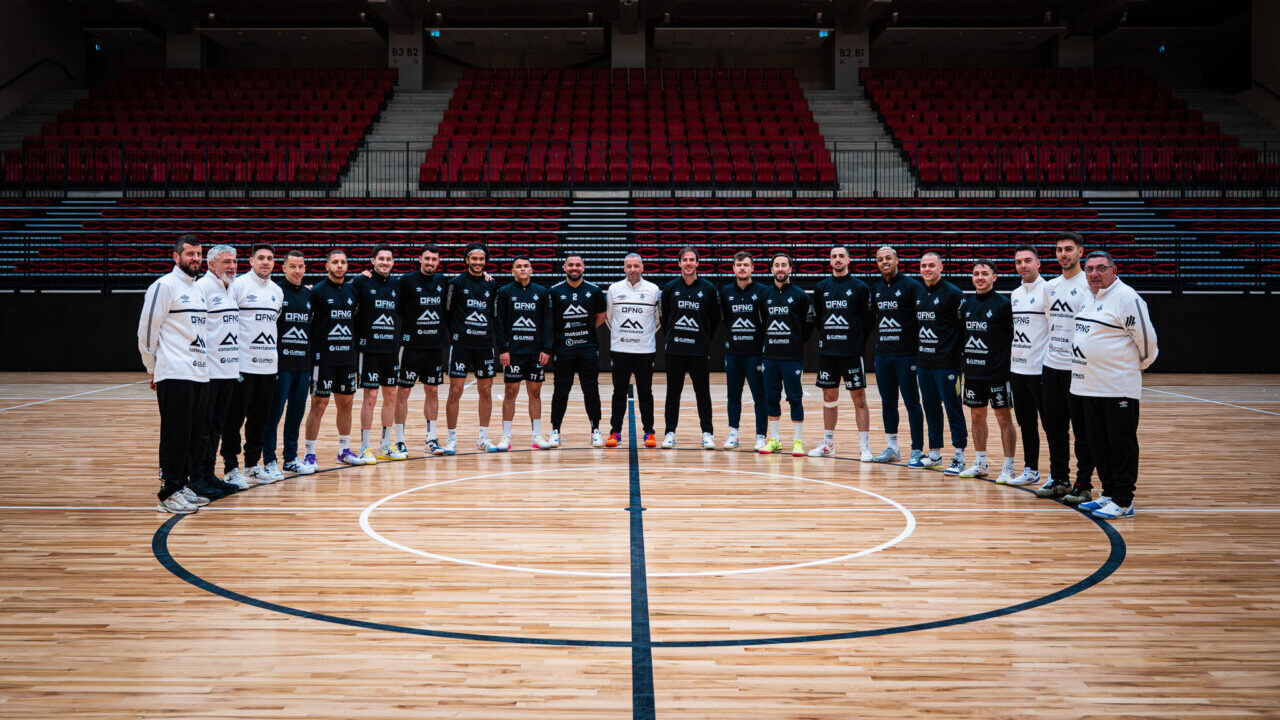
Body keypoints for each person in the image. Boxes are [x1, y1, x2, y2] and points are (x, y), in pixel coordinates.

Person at [1071, 251, 1158, 520]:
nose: (1094, 274)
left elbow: (1148, 341)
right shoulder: (1089, 296)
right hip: (1089, 387)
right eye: (1089, 269)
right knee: (1099, 445)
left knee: (1121, 445)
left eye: (1100, 269)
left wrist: (1135, 367)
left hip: (1117, 388)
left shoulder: (1127, 298)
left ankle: (1123, 500)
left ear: (1114, 270)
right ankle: (1108, 493)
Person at [138, 235, 211, 514]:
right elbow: (146, 332)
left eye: (198, 254)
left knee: (193, 436)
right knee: (175, 435)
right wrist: (153, 369)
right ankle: (168, 493)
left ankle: (182, 487)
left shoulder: (198, 290)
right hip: (174, 371)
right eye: (190, 254)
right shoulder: (164, 286)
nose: (195, 259)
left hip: (198, 372)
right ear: (176, 256)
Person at [1033, 232, 1098, 505]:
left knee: (1083, 430)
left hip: (1078, 368)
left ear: (1080, 252)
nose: (1063, 254)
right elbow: (1051, 323)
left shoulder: (1090, 285)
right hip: (1052, 366)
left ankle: (1083, 484)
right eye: (1059, 249)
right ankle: (1059, 478)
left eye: (1069, 249)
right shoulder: (1050, 287)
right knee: (1054, 427)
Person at [196, 244, 251, 496]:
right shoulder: (202, 289)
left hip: (228, 372)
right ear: (211, 265)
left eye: (234, 261)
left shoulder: (232, 288)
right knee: (203, 429)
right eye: (226, 261)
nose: (232, 266)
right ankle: (197, 478)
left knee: (218, 427)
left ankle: (209, 475)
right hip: (208, 373)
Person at [809, 244, 873, 461]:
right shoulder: (821, 287)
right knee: (829, 396)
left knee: (859, 398)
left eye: (841, 256)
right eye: (834, 256)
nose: (837, 259)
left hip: (851, 352)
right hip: (828, 352)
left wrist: (856, 340)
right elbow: (819, 317)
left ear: (848, 260)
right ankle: (828, 443)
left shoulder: (860, 288)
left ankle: (864, 446)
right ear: (830, 261)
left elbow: (868, 319)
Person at [227, 243, 284, 482]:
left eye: (270, 258)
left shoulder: (277, 291)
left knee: (260, 420)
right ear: (250, 261)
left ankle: (252, 464)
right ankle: (231, 468)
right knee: (234, 420)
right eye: (260, 258)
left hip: (268, 367)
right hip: (243, 366)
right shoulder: (238, 285)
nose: (265, 262)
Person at [957, 260, 1016, 481]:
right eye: (976, 274)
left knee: (1003, 419)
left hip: (998, 373)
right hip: (973, 373)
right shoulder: (967, 305)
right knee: (976, 416)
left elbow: (1012, 338)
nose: (979, 277)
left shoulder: (1003, 304)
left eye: (984, 273)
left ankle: (1008, 466)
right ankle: (980, 463)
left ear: (994, 277)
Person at [303, 248, 362, 466]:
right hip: (323, 358)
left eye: (343, 262)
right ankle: (309, 453)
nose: (340, 266)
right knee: (319, 404)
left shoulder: (352, 291)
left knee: (346, 403)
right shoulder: (317, 291)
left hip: (346, 358)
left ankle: (344, 450)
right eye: (335, 262)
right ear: (327, 266)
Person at [659, 246, 721, 450]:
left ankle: (707, 433)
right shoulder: (669, 288)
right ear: (679, 263)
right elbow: (664, 317)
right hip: (675, 350)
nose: (688, 263)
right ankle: (670, 432)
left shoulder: (708, 289)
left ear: (697, 263)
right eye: (684, 260)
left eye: (691, 260)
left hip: (699, 350)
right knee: (672, 393)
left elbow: (713, 319)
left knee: (702, 393)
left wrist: (703, 338)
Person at [914, 251, 968, 474]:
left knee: (953, 409)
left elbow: (964, 327)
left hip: (947, 364)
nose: (927, 269)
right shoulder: (918, 293)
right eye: (924, 265)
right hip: (924, 363)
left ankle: (959, 456)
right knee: (931, 409)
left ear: (941, 268)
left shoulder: (954, 294)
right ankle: (934, 453)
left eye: (931, 265)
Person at [871, 246, 926, 466]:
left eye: (888, 258)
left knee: (912, 403)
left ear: (897, 260)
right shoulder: (876, 289)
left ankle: (917, 449)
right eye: (880, 259)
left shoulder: (912, 287)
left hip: (907, 355)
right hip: (883, 355)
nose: (884, 262)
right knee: (888, 403)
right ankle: (892, 447)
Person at [395, 244, 450, 456]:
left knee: (433, 391)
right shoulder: (407, 281)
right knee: (404, 392)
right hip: (411, 346)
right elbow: (399, 309)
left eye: (434, 260)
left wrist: (487, 277)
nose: (430, 263)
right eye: (427, 259)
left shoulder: (443, 281)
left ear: (438, 262)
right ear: (420, 259)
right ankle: (399, 439)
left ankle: (431, 438)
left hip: (434, 346)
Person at [262, 250, 314, 475]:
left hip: (303, 365)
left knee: (296, 414)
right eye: (293, 266)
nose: (297, 270)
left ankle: (291, 458)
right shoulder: (275, 292)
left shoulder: (309, 294)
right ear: (283, 268)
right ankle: (269, 460)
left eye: (301, 266)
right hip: (280, 365)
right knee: (273, 415)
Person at [444, 243, 499, 453]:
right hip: (461, 344)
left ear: (485, 262)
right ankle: (451, 438)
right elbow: (447, 311)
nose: (477, 262)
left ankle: (483, 437)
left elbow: (494, 314)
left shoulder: (492, 284)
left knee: (485, 390)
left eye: (481, 259)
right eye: (473, 259)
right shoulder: (455, 283)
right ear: (466, 260)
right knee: (455, 390)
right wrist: (457, 332)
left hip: (484, 344)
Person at [548, 253, 607, 448]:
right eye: (571, 265)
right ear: (564, 268)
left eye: (578, 265)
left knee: (591, 390)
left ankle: (595, 429)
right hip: (564, 349)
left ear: (584, 268)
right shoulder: (555, 291)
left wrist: (584, 331)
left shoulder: (594, 291)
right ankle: (555, 430)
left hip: (588, 348)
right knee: (561, 390)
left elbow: (600, 316)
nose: (575, 268)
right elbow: (551, 320)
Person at [494, 256, 554, 451]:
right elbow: (499, 323)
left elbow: (547, 323)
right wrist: (503, 349)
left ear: (531, 270)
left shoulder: (542, 292)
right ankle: (506, 436)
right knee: (510, 392)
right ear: (512, 270)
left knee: (535, 392)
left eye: (525, 266)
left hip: (535, 351)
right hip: (513, 352)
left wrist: (546, 348)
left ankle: (537, 435)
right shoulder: (504, 292)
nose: (522, 269)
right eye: (518, 266)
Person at [351, 243, 402, 463]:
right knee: (370, 397)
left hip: (390, 349)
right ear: (372, 261)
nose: (385, 262)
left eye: (389, 259)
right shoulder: (361, 282)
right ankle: (364, 447)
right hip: (369, 349)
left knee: (391, 395)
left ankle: (385, 444)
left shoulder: (397, 284)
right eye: (381, 259)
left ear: (392, 263)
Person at [605, 253, 662, 448]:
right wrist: (623, 335)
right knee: (618, 392)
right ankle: (615, 432)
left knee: (645, 392)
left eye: (636, 266)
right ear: (624, 268)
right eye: (629, 266)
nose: (632, 270)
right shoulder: (614, 289)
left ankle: (649, 433)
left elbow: (657, 320)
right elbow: (609, 317)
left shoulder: (653, 290)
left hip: (645, 351)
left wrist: (643, 335)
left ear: (642, 267)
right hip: (620, 349)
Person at [1006, 244, 1052, 486]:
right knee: (1026, 424)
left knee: (1051, 425)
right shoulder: (1015, 294)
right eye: (1018, 262)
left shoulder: (1049, 290)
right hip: (1018, 370)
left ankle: (1057, 473)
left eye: (1027, 260)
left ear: (1038, 263)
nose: (1022, 265)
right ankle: (1031, 469)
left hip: (1041, 370)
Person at [759, 253, 812, 457]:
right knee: (771, 398)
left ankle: (797, 442)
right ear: (771, 269)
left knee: (795, 398)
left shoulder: (800, 295)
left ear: (791, 268)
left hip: (792, 357)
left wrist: (795, 342)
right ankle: (774, 440)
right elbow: (763, 321)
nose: (780, 269)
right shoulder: (765, 295)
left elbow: (807, 325)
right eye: (776, 265)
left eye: (784, 265)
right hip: (770, 357)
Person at [719, 251, 768, 451]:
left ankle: (760, 436)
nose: (742, 268)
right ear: (733, 268)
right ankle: (733, 433)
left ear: (752, 268)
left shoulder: (763, 291)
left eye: (746, 265)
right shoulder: (726, 291)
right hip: (734, 354)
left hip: (755, 353)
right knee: (733, 396)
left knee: (759, 397)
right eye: (738, 265)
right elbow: (724, 319)